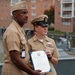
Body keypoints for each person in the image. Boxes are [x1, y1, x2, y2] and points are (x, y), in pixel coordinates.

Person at [1, 1, 42, 75]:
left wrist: (34, 68)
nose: (26, 15)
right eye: (23, 13)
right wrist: (32, 72)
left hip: (20, 70)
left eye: (26, 13)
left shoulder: (20, 30)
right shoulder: (13, 32)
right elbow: (15, 59)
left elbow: (23, 56)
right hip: (13, 71)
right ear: (15, 15)